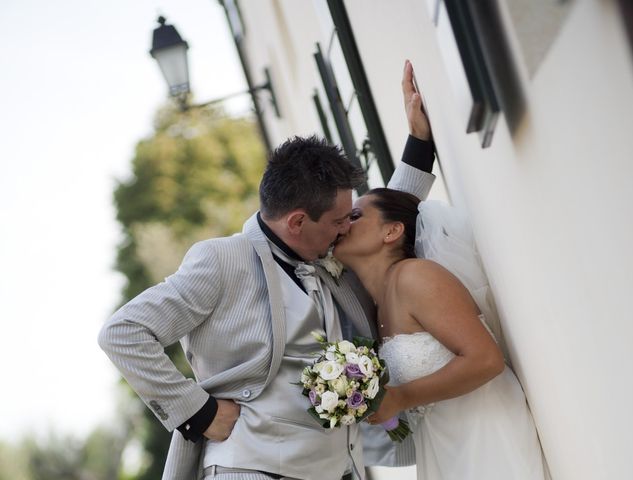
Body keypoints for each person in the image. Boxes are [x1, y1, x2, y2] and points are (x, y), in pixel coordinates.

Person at [98, 61, 435, 480]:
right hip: (250, 468)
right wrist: (198, 413)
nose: (346, 228)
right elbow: (124, 332)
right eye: (338, 221)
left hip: (336, 469)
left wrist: (420, 144)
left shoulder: (333, 253)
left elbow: (380, 223)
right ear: (296, 221)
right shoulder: (221, 260)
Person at [332, 188, 547, 480]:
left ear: (392, 231)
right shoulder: (380, 303)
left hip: (484, 435)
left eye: (355, 216)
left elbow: (486, 359)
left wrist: (400, 397)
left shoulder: (416, 276)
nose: (344, 224)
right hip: (441, 444)